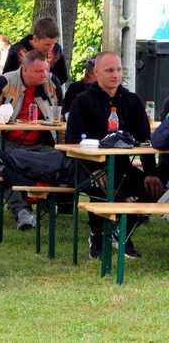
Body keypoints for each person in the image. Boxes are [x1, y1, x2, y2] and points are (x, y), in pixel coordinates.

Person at [66, 51, 163, 259]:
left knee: (156, 186)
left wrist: (150, 173)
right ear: (96, 72)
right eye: (109, 70)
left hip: (122, 167)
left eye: (118, 70)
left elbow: (146, 141)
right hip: (88, 167)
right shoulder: (82, 101)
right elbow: (72, 142)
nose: (115, 75)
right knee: (101, 185)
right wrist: (95, 169)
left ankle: (123, 234)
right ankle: (98, 236)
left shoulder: (132, 101)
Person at [0, 50, 63, 229]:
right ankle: (21, 210)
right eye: (39, 72)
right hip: (7, 142)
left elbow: (59, 114)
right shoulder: (4, 83)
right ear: (24, 69)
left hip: (40, 144)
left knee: (61, 160)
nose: (44, 75)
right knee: (5, 164)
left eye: (46, 70)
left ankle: (43, 198)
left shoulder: (52, 84)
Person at [3, 17, 69, 84]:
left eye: (54, 43)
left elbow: (63, 77)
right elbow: (7, 78)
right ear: (35, 39)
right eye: (47, 44)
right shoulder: (17, 51)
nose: (51, 48)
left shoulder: (56, 50)